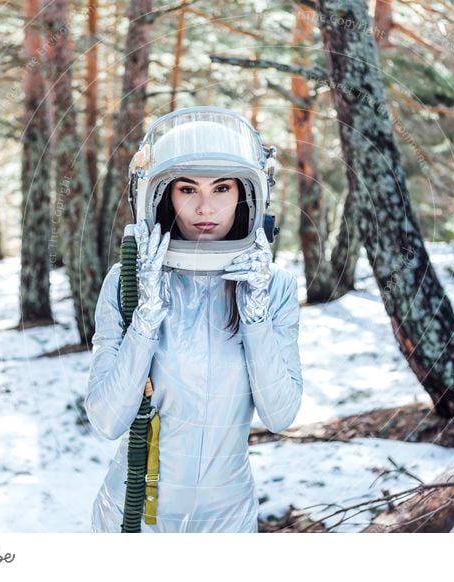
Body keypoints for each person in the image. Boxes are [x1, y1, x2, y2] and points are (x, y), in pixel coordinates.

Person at [85, 107, 303, 533]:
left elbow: (280, 415)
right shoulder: (125, 283)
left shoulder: (274, 287)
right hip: (136, 518)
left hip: (227, 520)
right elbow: (106, 420)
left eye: (222, 187)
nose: (205, 207)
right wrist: (146, 316)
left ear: (247, 194)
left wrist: (254, 315)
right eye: (188, 189)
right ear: (163, 195)